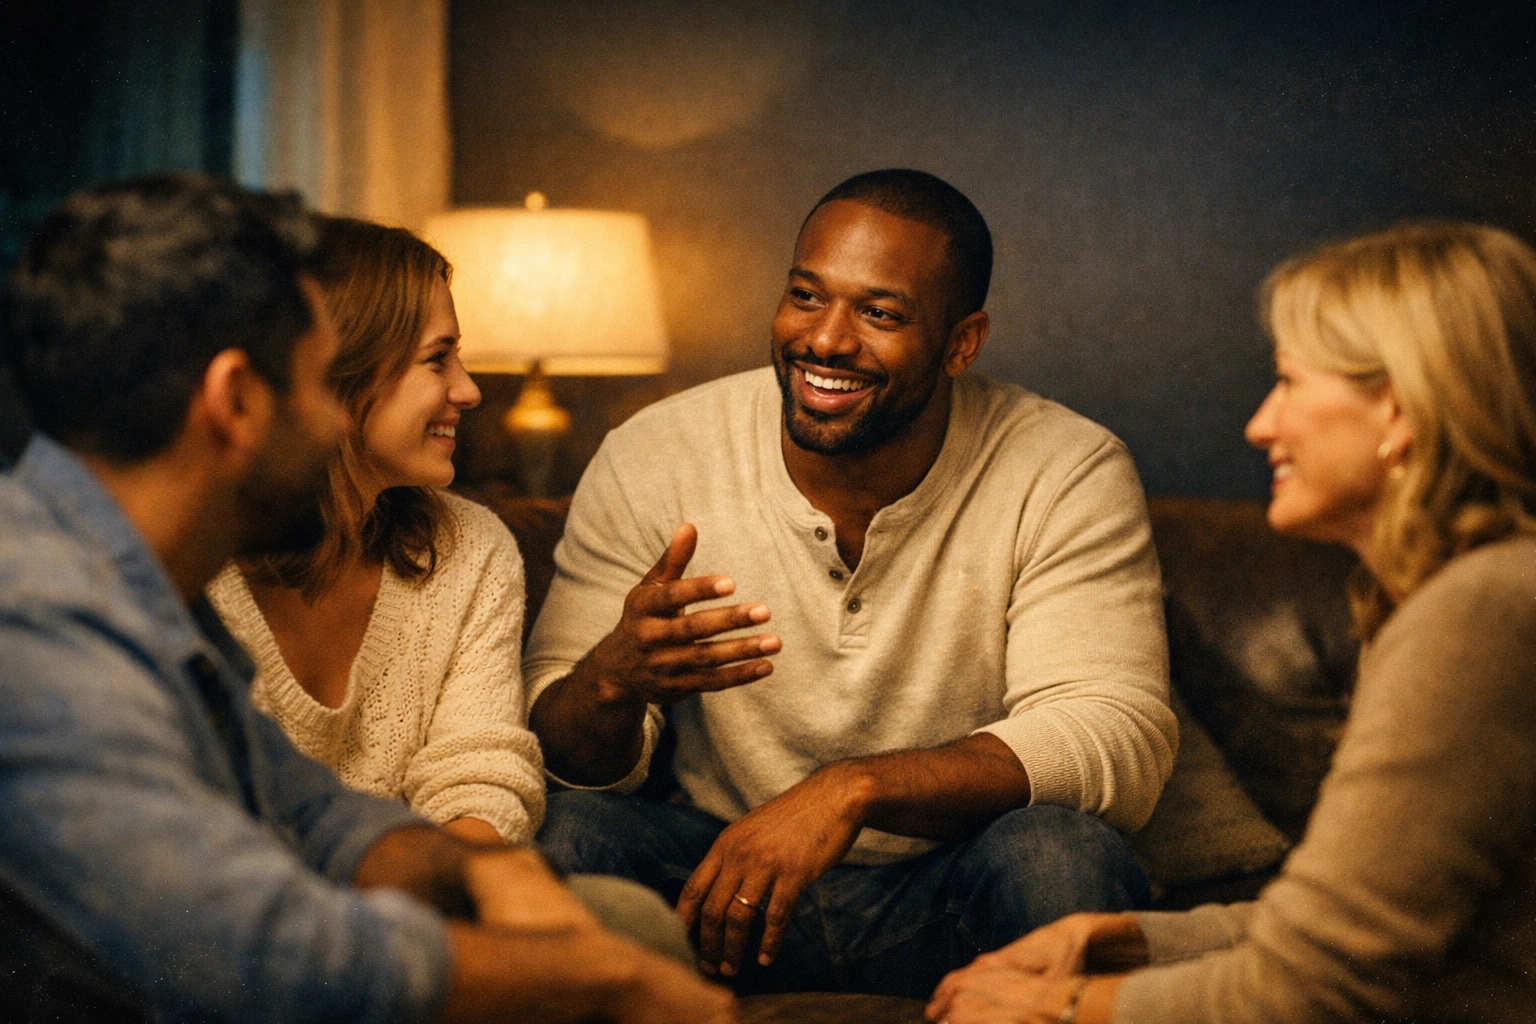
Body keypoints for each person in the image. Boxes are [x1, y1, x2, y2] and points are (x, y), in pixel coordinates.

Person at [0, 173, 735, 1024]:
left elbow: (308, 807)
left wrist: (487, 869)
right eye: (320, 384)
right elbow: (249, 954)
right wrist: (607, 982)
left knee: (619, 921)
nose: (333, 422)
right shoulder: (34, 618)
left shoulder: (134, 568)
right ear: (235, 402)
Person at [526, 169, 1178, 997]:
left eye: (879, 313)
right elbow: (561, 747)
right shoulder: (657, 452)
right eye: (807, 296)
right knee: (567, 833)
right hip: (716, 882)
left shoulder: (1064, 468)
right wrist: (611, 681)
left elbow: (1116, 734)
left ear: (961, 343)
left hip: (946, 890)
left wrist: (852, 791)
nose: (827, 341)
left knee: (1061, 854)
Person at [926, 222, 1536, 1024]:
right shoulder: (1461, 598)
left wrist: (1064, 1007)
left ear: (1397, 407)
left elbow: (1313, 991)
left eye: (1289, 382)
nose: (1261, 426)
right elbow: (1350, 928)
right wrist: (1132, 939)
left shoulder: (1479, 613)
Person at [207, 217, 542, 846]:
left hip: (416, 899)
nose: (468, 391)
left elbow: (479, 775)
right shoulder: (199, 558)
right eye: (438, 360)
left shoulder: (471, 547)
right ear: (335, 374)